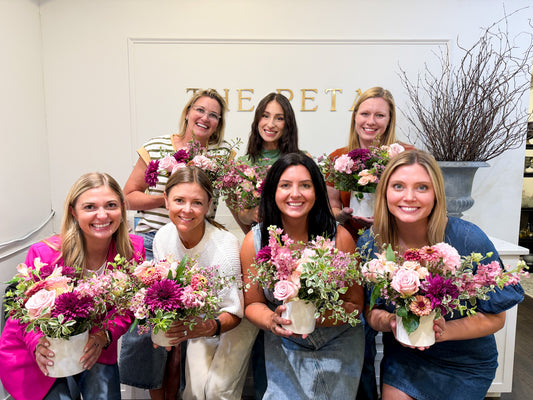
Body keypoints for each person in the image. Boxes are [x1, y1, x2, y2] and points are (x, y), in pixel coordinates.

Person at [359, 150, 524, 400]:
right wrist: (391, 322)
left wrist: (442, 331)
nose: (409, 197)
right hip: (406, 360)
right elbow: (371, 312)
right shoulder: (372, 242)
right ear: (384, 193)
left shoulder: (467, 239)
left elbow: (496, 319)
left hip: (464, 364)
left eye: (422, 187)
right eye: (398, 186)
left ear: (436, 193)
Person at [120, 89, 227, 399]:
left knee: (186, 334)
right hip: (154, 243)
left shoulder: (222, 157)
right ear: (187, 112)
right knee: (158, 331)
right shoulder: (157, 147)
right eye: (200, 110)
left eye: (213, 114)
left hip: (197, 246)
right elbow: (128, 197)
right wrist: (172, 197)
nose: (205, 117)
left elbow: (231, 202)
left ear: (218, 124)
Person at [0, 172, 145, 400]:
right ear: (73, 212)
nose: (102, 215)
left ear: (122, 209)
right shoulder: (45, 253)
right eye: (90, 207)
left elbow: (127, 308)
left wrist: (104, 336)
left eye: (111, 205)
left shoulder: (133, 250)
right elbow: (21, 314)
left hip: (93, 345)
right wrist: (37, 344)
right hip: (38, 353)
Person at [241, 153, 365, 399]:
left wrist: (310, 317)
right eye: (285, 185)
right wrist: (272, 321)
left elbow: (355, 305)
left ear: (317, 192)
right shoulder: (254, 242)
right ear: (272, 192)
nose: (295, 194)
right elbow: (253, 302)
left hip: (337, 343)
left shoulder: (339, 238)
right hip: (284, 343)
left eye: (305, 185)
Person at [326, 86, 409, 400]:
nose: (371, 121)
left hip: (396, 256)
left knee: (398, 334)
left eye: (379, 115)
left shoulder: (402, 155)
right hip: (354, 256)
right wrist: (344, 215)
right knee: (358, 335)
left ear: (389, 120)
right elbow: (332, 206)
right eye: (365, 113)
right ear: (355, 117)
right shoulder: (338, 158)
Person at [152, 166, 256, 400]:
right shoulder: (162, 238)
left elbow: (236, 312)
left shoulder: (225, 247)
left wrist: (205, 328)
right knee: (194, 393)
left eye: (197, 203)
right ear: (166, 200)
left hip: (237, 318)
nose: (187, 210)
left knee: (218, 391)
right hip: (200, 317)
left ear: (209, 206)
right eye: (179, 200)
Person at [232, 92, 301, 234]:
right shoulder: (243, 164)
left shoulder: (302, 159)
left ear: (287, 123)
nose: (270, 124)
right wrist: (252, 214)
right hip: (262, 237)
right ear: (257, 119)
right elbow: (242, 215)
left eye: (279, 118)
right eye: (265, 116)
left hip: (297, 234)